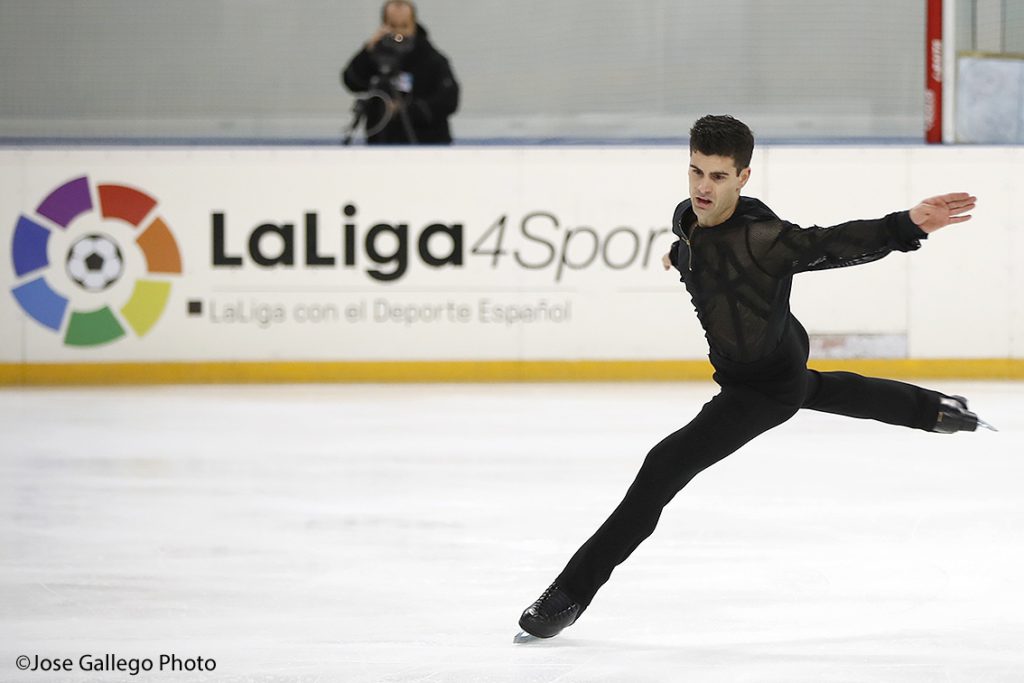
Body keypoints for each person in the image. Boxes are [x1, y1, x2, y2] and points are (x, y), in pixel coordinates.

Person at [515, 114, 994, 642]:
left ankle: (569, 594)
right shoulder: (687, 220)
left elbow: (830, 243)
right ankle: (935, 410)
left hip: (762, 383)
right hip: (772, 352)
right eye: (696, 171)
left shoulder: (765, 240)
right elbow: (695, 246)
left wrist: (907, 224)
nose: (703, 187)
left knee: (664, 465)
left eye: (718, 177)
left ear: (743, 178)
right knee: (817, 389)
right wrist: (679, 258)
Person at [342, 0, 459, 144]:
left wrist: (405, 110)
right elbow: (352, 82)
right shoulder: (375, 55)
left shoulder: (432, 59)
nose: (398, 33)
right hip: (382, 143)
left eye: (404, 26)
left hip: (425, 142)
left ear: (413, 24)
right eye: (392, 26)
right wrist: (368, 50)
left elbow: (449, 100)